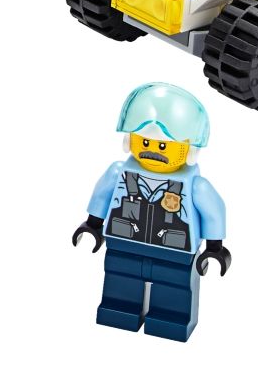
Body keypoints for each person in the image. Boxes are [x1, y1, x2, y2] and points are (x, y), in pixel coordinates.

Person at [72, 82, 230, 342]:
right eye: (145, 141)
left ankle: (172, 319)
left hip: (175, 250)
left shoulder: (195, 186)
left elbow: (214, 211)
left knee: (175, 286)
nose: (152, 150)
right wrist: (93, 224)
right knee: (120, 278)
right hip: (124, 242)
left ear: (188, 149)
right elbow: (102, 195)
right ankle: (119, 309)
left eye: (164, 146)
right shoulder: (119, 172)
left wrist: (215, 247)